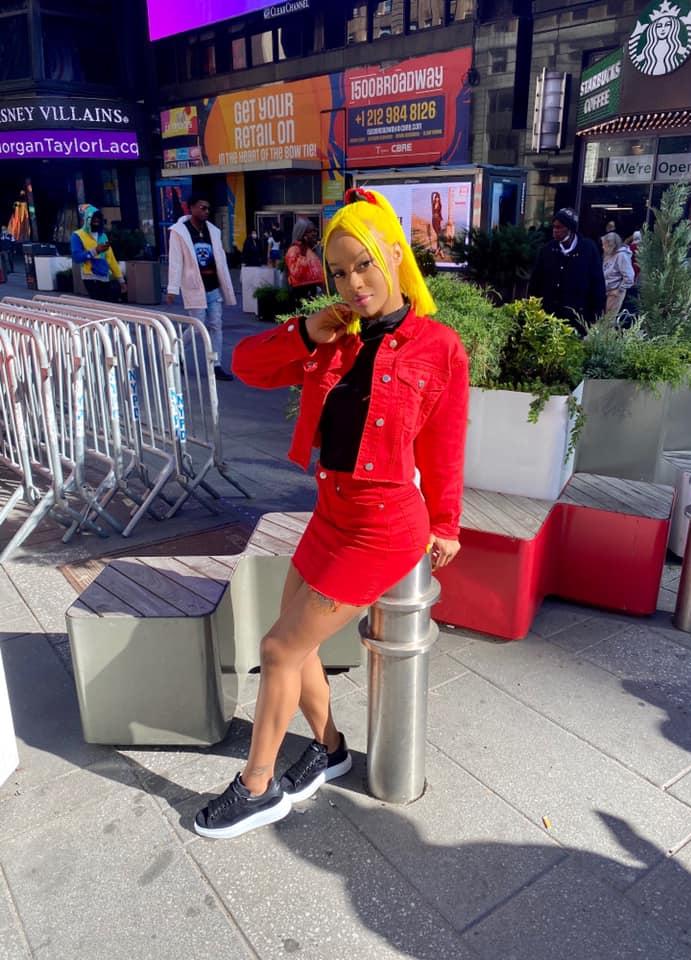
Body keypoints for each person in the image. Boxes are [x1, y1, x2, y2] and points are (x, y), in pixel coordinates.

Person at [193, 186, 469, 840]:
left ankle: (258, 786)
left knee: (278, 647)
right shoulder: (333, 336)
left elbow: (445, 444)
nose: (353, 283)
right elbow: (245, 366)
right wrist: (302, 330)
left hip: (384, 527)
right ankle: (330, 748)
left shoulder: (438, 346)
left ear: (394, 255)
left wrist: (447, 524)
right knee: (297, 641)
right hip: (330, 514)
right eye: (340, 272)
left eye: (364, 265)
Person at [166, 195, 236, 381]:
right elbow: (175, 261)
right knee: (198, 326)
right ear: (191, 208)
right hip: (194, 286)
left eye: (208, 208)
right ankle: (177, 349)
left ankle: (216, 364)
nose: (206, 211)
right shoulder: (179, 232)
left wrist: (226, 284)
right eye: (202, 207)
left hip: (213, 285)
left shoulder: (212, 230)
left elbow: (220, 258)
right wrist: (172, 288)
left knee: (216, 324)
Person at [528, 207, 606, 335]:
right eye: (554, 227)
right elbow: (535, 282)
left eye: (559, 227)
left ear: (570, 229)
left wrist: (595, 317)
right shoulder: (547, 250)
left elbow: (597, 285)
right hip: (549, 316)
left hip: (578, 318)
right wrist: (534, 310)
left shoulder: (588, 250)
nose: (555, 230)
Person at [70, 205, 126, 302]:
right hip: (90, 277)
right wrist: (95, 251)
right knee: (102, 304)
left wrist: (121, 280)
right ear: (88, 219)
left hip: (104, 277)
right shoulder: (77, 235)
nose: (96, 220)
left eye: (98, 218)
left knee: (109, 304)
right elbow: (76, 257)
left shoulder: (103, 236)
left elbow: (111, 259)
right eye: (94, 218)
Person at [284, 218, 325, 308]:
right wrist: (303, 252)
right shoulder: (294, 250)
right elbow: (296, 273)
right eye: (310, 231)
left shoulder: (313, 249)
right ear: (302, 234)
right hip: (301, 294)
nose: (314, 234)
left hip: (315, 291)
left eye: (315, 231)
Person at [601, 232, 635, 321]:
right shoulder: (608, 254)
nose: (603, 247)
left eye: (604, 244)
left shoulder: (621, 255)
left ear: (611, 245)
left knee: (608, 320)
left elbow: (629, 276)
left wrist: (619, 290)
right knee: (602, 318)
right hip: (606, 290)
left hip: (615, 292)